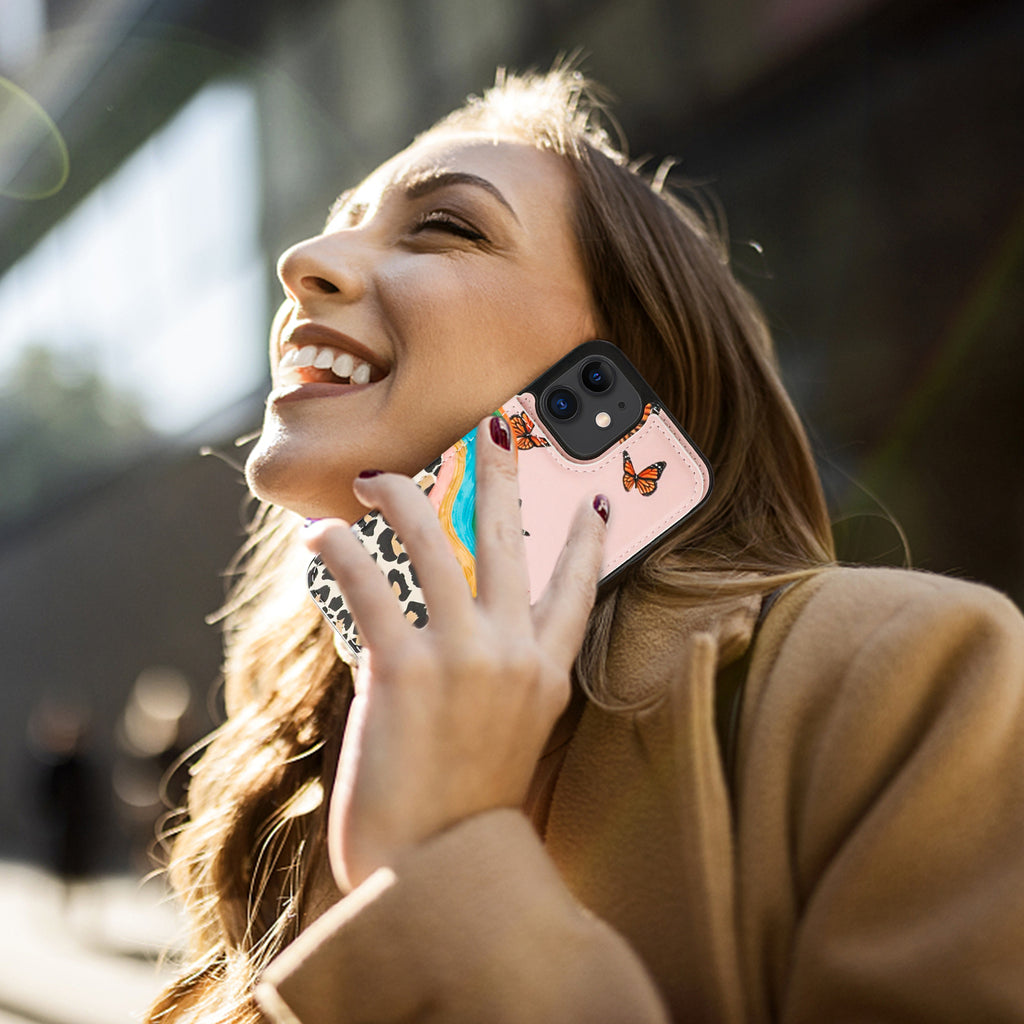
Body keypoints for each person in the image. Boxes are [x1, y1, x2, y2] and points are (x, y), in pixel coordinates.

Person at [147, 67, 1024, 1024]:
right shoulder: (294, 742)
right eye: (340, 221)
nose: (305, 260)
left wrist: (449, 859)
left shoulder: (905, 678)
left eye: (445, 226)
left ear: (629, 370)